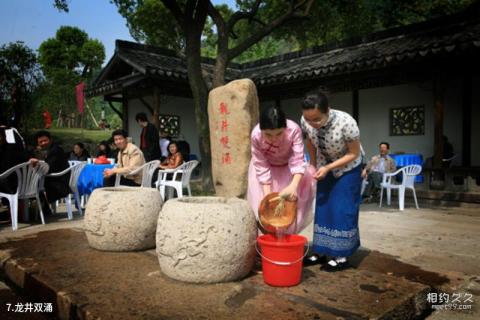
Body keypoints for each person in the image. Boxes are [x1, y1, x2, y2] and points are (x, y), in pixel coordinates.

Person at [301, 89, 363, 271]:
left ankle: (341, 256)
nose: (313, 123)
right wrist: (312, 164)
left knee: (342, 209)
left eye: (317, 119)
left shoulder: (347, 123)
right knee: (323, 207)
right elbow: (310, 142)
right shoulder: (306, 120)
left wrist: (328, 167)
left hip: (348, 167)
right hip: (323, 166)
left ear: (328, 110)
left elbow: (354, 153)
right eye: (309, 119)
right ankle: (321, 251)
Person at [247, 106, 316, 234]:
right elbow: (261, 164)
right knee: (266, 211)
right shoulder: (256, 135)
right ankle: (271, 241)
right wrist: (268, 194)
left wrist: (293, 186)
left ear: (285, 128)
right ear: (261, 129)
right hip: (267, 172)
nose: (274, 138)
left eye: (279, 133)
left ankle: (286, 241)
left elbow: (297, 160)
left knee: (291, 209)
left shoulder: (294, 130)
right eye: (268, 134)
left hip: (290, 171)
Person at [29, 130, 70, 215]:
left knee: (32, 185)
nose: (43, 143)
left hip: (59, 182)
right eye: (40, 142)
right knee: (34, 184)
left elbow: (48, 168)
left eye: (45, 140)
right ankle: (44, 210)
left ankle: (43, 211)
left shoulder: (55, 150)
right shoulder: (54, 149)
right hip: (59, 179)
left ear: (50, 140)